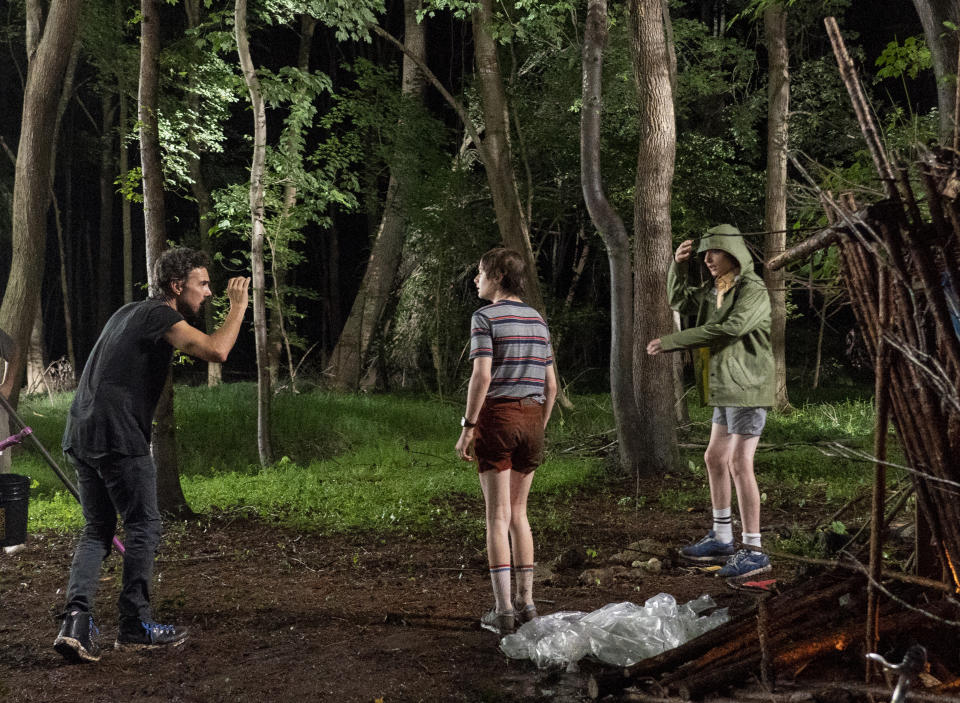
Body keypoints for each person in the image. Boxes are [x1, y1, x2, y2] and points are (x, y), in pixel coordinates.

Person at [54, 248, 250, 663]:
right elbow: (217, 351)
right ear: (177, 287)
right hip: (117, 435)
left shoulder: (128, 311)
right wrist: (239, 307)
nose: (209, 293)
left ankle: (76, 622)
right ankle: (135, 625)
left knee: (98, 529)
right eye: (202, 284)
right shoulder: (161, 317)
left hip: (81, 430)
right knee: (143, 523)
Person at [646, 224, 775, 580]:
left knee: (738, 462)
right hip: (725, 385)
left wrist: (675, 340)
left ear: (732, 252)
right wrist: (678, 265)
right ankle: (721, 537)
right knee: (714, 457)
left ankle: (754, 550)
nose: (707, 259)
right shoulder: (717, 288)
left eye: (713, 252)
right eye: (704, 254)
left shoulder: (752, 289)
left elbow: (731, 329)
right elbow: (680, 301)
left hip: (748, 386)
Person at [455, 248, 557, 636]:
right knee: (519, 515)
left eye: (480, 273)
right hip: (532, 419)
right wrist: (537, 422)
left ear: (497, 275)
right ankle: (528, 604)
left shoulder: (484, 318)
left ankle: (503, 612)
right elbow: (551, 386)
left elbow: (481, 377)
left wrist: (468, 426)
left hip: (496, 416)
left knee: (496, 517)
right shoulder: (538, 320)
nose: (476, 280)